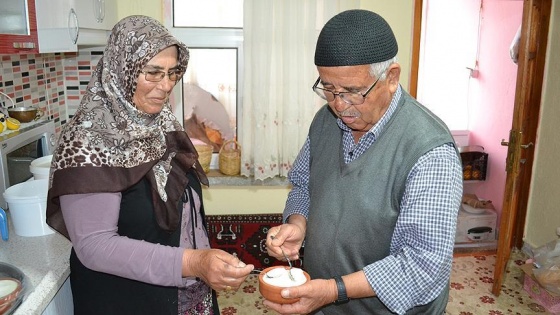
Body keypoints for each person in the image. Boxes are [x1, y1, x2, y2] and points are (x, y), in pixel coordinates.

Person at [45, 15, 254, 315]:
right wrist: (193, 262)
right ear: (122, 70)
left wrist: (202, 261)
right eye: (153, 73)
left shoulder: (158, 122)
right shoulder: (87, 142)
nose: (166, 85)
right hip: (125, 301)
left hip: (178, 293)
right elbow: (95, 246)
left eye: (172, 73)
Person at [265, 9, 463, 315]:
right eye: (328, 89)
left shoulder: (429, 151)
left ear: (391, 78)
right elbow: (305, 184)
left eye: (353, 92)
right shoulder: (324, 121)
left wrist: (334, 289)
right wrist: (298, 223)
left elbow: (422, 266)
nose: (340, 105)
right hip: (322, 301)